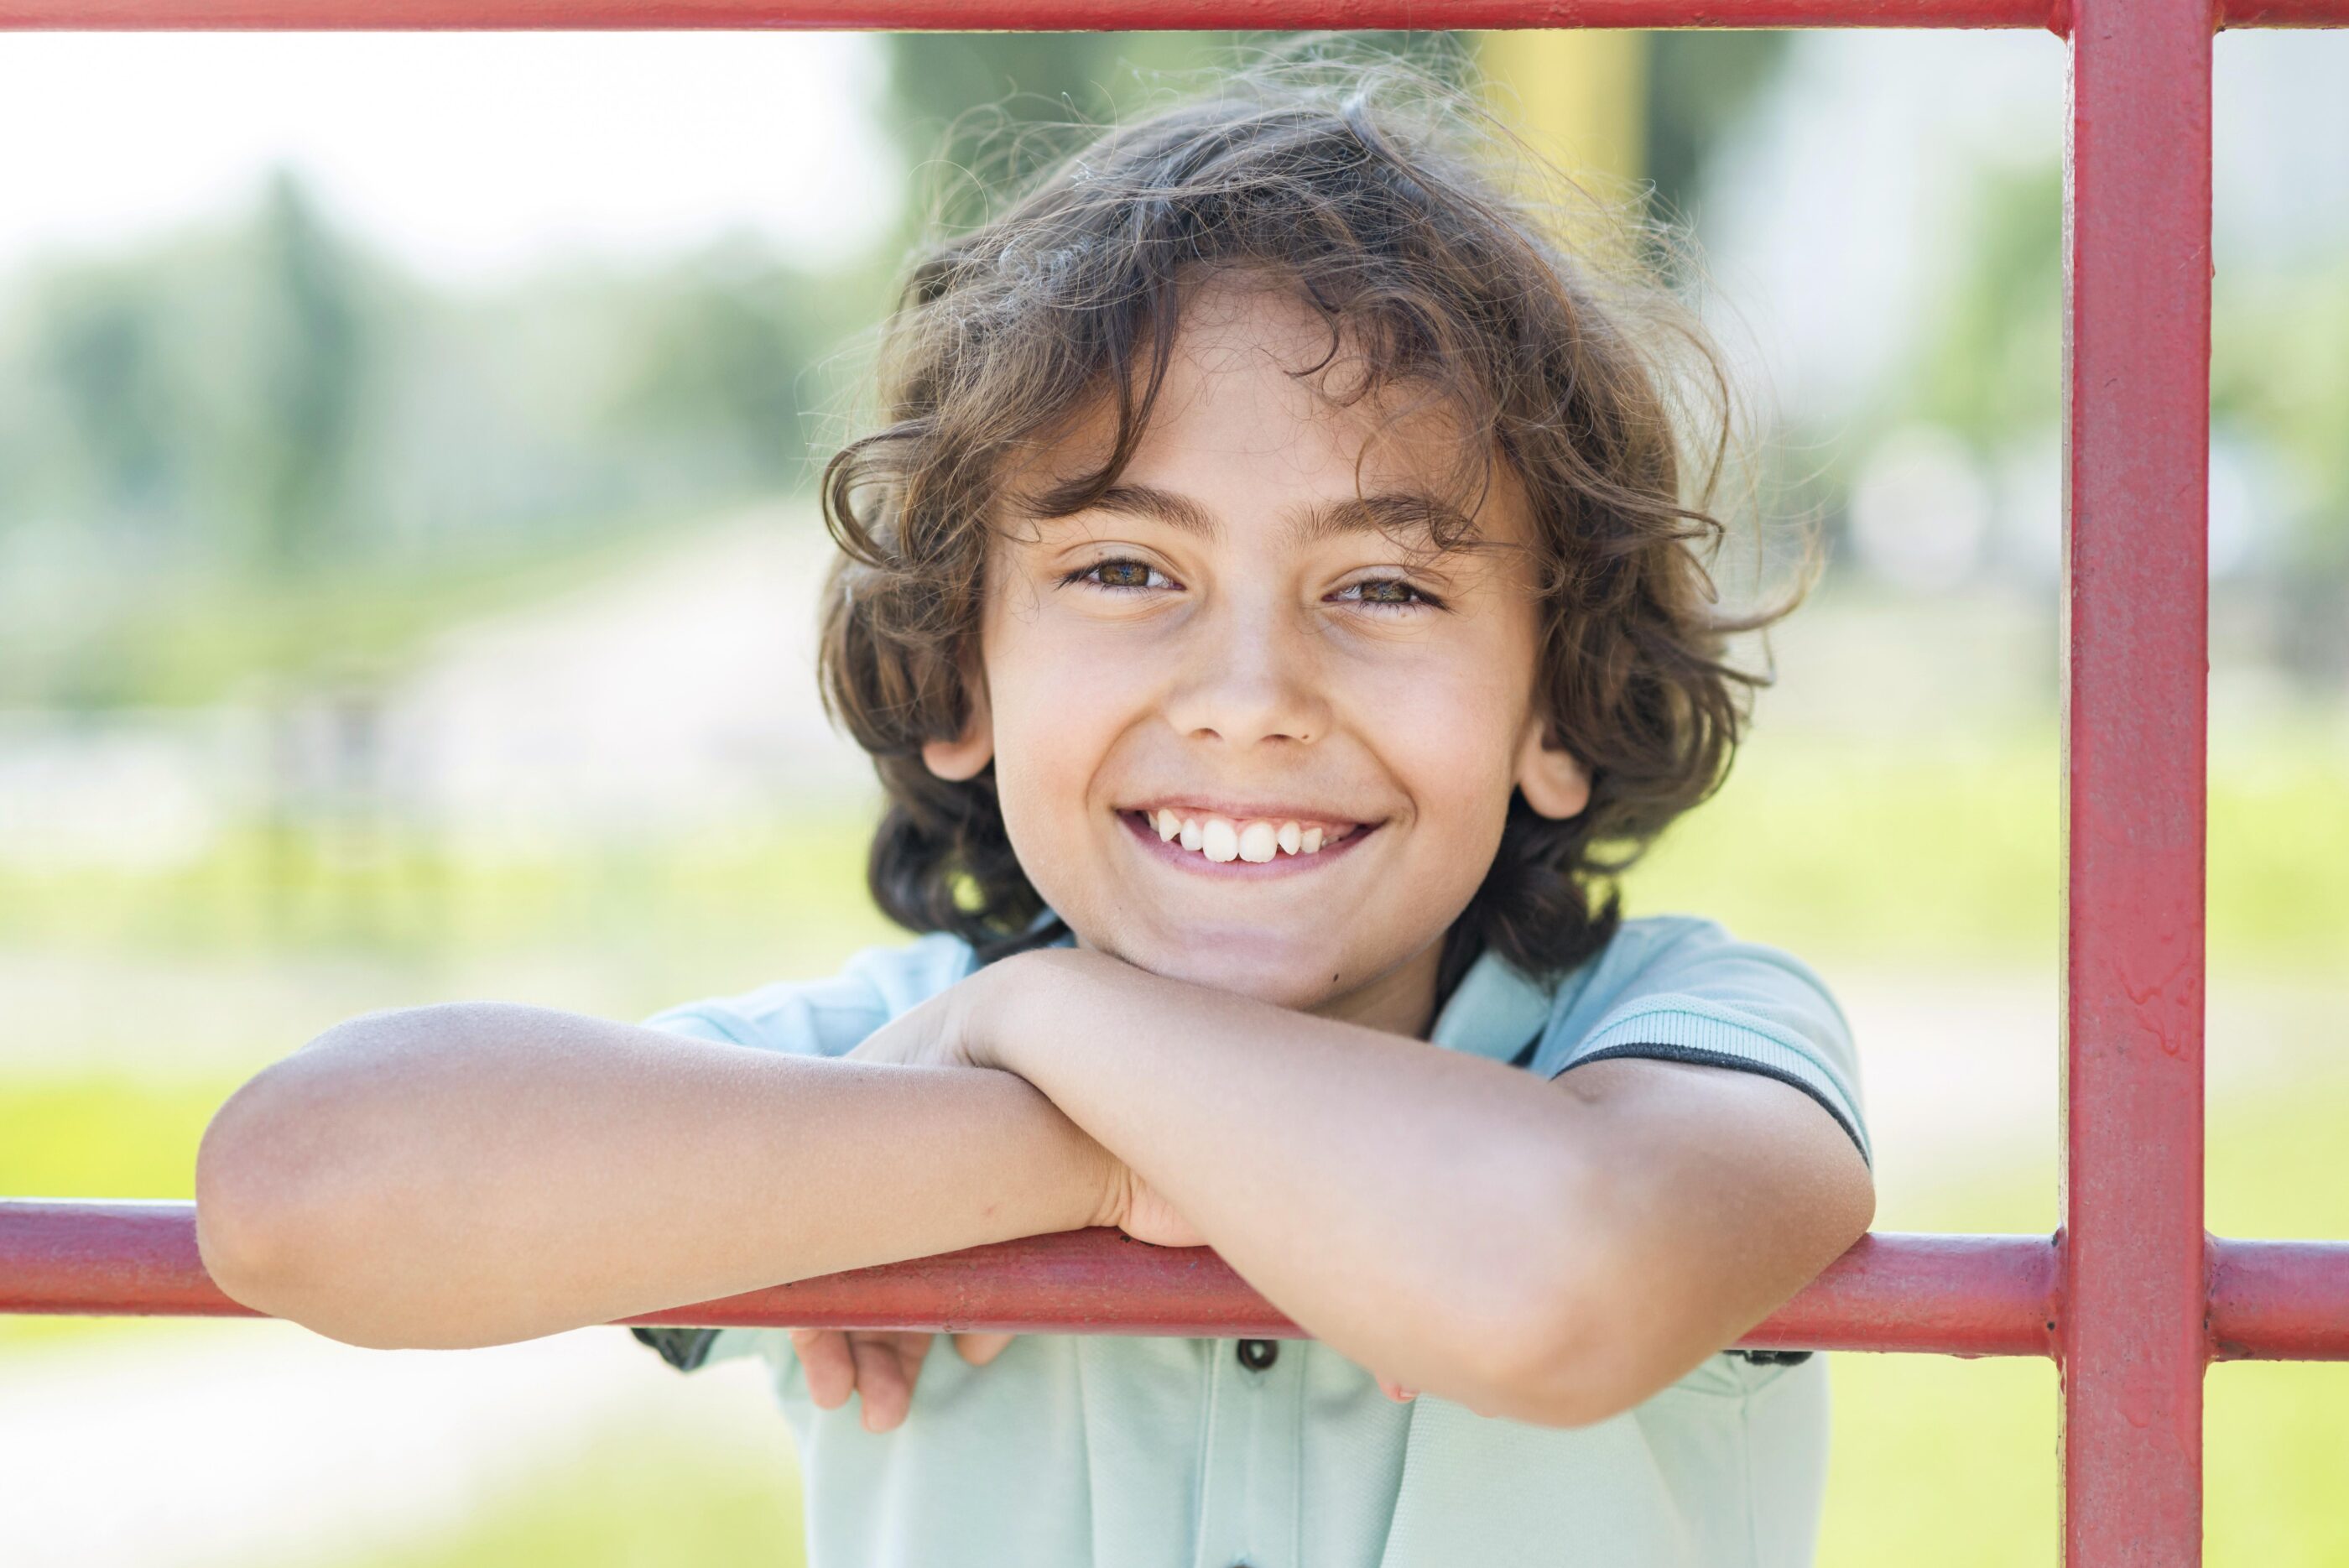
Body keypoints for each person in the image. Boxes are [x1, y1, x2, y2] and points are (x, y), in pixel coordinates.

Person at [193, 51, 1874, 1568]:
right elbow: (300, 1188)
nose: (1244, 692)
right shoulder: (891, 1045)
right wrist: (1078, 1143)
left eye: (1380, 584)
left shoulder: (1678, 1033)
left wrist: (1048, 1012)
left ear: (1557, 704)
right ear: (961, 676)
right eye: (1125, 567)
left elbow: (1548, 1282)